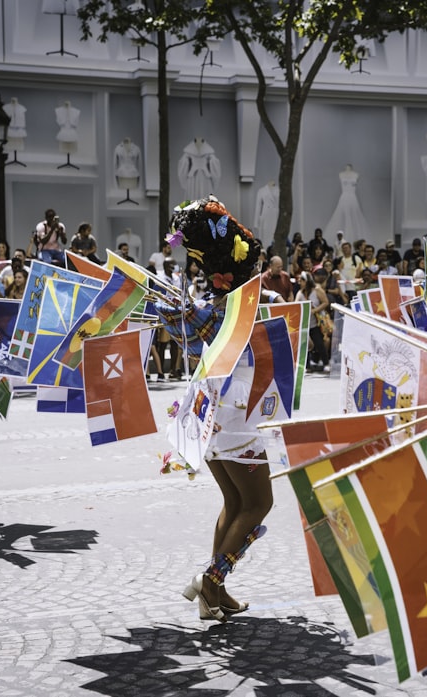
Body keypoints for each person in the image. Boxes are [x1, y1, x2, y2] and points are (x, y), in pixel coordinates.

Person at [159, 196, 269, 623]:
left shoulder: (213, 304)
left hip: (212, 407)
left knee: (235, 499)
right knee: (259, 504)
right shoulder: (241, 302)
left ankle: (214, 595)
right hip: (236, 414)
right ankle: (210, 580)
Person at [295, 270, 330, 372]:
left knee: (319, 344)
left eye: (301, 280)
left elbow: (325, 302)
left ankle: (326, 363)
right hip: (304, 324)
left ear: (306, 281)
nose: (299, 283)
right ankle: (306, 366)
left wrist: (314, 310)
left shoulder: (317, 290)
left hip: (316, 323)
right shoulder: (300, 293)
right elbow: (296, 305)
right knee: (304, 345)